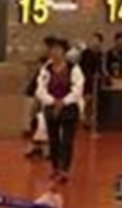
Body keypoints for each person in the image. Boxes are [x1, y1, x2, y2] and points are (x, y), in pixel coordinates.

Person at [35, 37, 85, 182]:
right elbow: (40, 90)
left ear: (64, 51)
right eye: (52, 49)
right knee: (53, 140)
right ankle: (55, 168)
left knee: (67, 141)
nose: (55, 52)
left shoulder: (73, 68)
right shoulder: (46, 69)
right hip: (51, 107)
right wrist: (52, 101)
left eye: (58, 49)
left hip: (69, 108)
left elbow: (78, 89)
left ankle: (65, 170)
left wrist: (63, 102)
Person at [80, 32, 105, 127]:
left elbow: (100, 67)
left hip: (96, 80)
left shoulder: (100, 54)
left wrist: (101, 75)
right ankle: (83, 118)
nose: (94, 42)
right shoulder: (85, 53)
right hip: (87, 79)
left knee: (94, 101)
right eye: (93, 39)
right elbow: (82, 66)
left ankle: (91, 119)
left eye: (96, 40)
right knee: (87, 99)